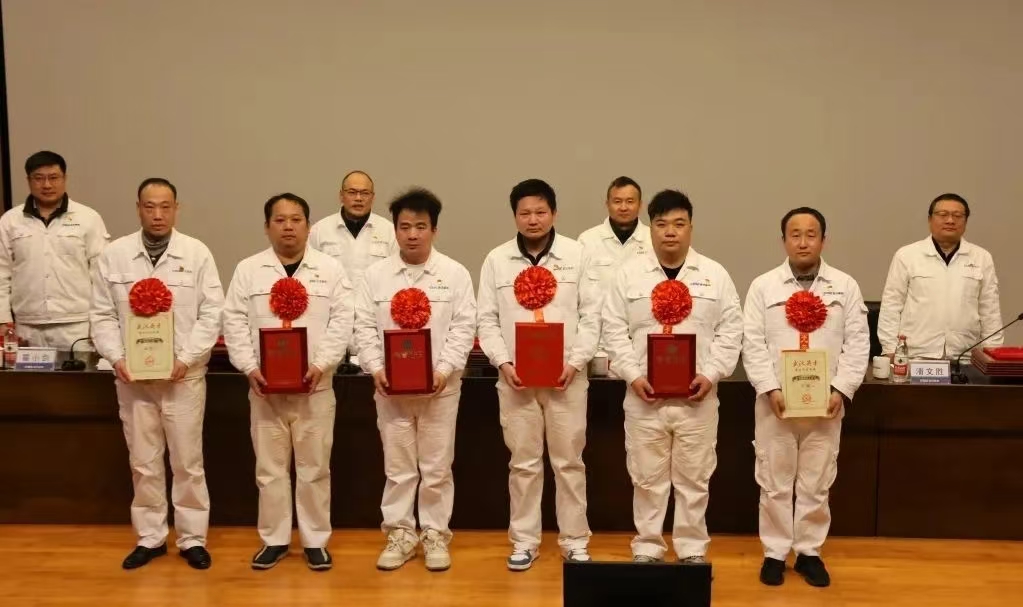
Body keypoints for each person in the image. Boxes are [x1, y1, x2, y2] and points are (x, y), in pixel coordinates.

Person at [601, 189, 742, 564]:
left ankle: (692, 548)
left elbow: (732, 331)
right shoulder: (628, 275)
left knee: (694, 479)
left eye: (679, 224)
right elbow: (613, 329)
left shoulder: (714, 275)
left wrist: (711, 373)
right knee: (647, 478)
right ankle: (648, 546)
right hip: (644, 397)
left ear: (691, 228)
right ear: (650, 228)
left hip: (697, 399)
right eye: (661, 224)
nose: (670, 232)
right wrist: (632, 375)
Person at [90, 178, 223, 570]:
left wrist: (187, 357)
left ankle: (192, 538)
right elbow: (101, 314)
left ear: (177, 208)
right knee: (143, 461)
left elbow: (211, 312)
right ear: (138, 209)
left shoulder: (196, 253)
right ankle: (150, 537)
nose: (158, 214)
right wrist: (117, 357)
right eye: (150, 206)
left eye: (165, 206)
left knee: (187, 462)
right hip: (134, 379)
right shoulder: (114, 256)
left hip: (183, 377)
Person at [223, 193, 353, 571]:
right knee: (269, 470)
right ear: (267, 227)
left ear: (309, 227)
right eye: (279, 220)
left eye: (296, 220)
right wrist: (249, 367)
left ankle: (315, 540)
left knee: (315, 468)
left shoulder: (330, 269)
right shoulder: (249, 270)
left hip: (315, 388)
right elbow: (233, 321)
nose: (288, 227)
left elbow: (342, 320)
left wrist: (322, 364)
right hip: (265, 390)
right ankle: (274, 539)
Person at [477, 178, 601, 570]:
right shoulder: (497, 259)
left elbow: (592, 315)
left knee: (569, 463)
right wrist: (503, 362)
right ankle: (524, 541)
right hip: (516, 381)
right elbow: (486, 319)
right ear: (514, 216)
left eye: (541, 212)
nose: (533, 220)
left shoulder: (577, 255)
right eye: (525, 213)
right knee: (523, 464)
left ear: (554, 213)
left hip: (567, 379)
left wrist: (575, 362)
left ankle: (575, 541)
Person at [742, 207, 869, 587]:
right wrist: (769, 387)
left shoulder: (844, 286)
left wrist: (842, 389)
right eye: (794, 234)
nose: (802, 242)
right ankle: (775, 553)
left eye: (811, 234)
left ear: (823, 240)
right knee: (774, 481)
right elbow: (752, 343)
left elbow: (858, 343)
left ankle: (809, 552)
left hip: (825, 404)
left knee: (817, 481)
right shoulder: (764, 286)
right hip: (776, 404)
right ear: (783, 240)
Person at [354, 188, 476, 572]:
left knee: (437, 467)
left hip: (441, 389)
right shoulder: (374, 276)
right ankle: (401, 533)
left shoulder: (454, 274)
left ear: (434, 230)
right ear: (394, 230)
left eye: (420, 226)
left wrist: (444, 370)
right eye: (404, 226)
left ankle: (435, 534)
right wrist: (376, 368)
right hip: (390, 390)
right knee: (399, 468)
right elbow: (364, 328)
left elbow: (464, 327)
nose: (412, 234)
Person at [0, 151, 109, 349]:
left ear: (65, 178)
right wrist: (3, 320)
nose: (47, 185)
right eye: (39, 178)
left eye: (53, 177)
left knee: (82, 372)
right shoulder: (10, 221)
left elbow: (101, 274)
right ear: (28, 181)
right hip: (26, 327)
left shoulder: (88, 218)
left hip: (78, 326)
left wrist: (100, 323)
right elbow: (2, 273)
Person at [878, 193, 1002, 359]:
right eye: (943, 214)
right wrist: (889, 349)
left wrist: (993, 352)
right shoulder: (907, 255)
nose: (950, 220)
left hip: (965, 356)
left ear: (965, 222)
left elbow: (990, 309)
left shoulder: (981, 257)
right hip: (916, 355)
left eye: (957, 215)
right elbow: (891, 305)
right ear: (930, 220)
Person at [309, 170, 398, 290]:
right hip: (333, 301)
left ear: (373, 197)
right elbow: (309, 272)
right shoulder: (320, 230)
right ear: (341, 196)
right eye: (352, 192)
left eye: (365, 193)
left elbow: (396, 275)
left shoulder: (389, 231)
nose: (358, 198)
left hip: (375, 301)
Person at [578, 176, 651, 285]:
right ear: (607, 205)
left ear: (640, 205)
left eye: (630, 201)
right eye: (617, 201)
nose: (623, 208)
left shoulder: (652, 240)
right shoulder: (587, 240)